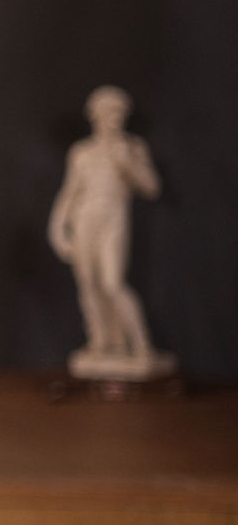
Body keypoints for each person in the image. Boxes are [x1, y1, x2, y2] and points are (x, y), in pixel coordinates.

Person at [48, 85, 166, 379]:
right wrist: (58, 230)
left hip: (113, 217)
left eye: (118, 113)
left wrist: (127, 165)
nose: (113, 118)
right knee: (88, 284)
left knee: (113, 283)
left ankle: (141, 344)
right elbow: (69, 193)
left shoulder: (132, 147)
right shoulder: (82, 152)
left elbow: (151, 187)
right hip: (84, 218)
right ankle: (103, 342)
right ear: (95, 115)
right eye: (107, 112)